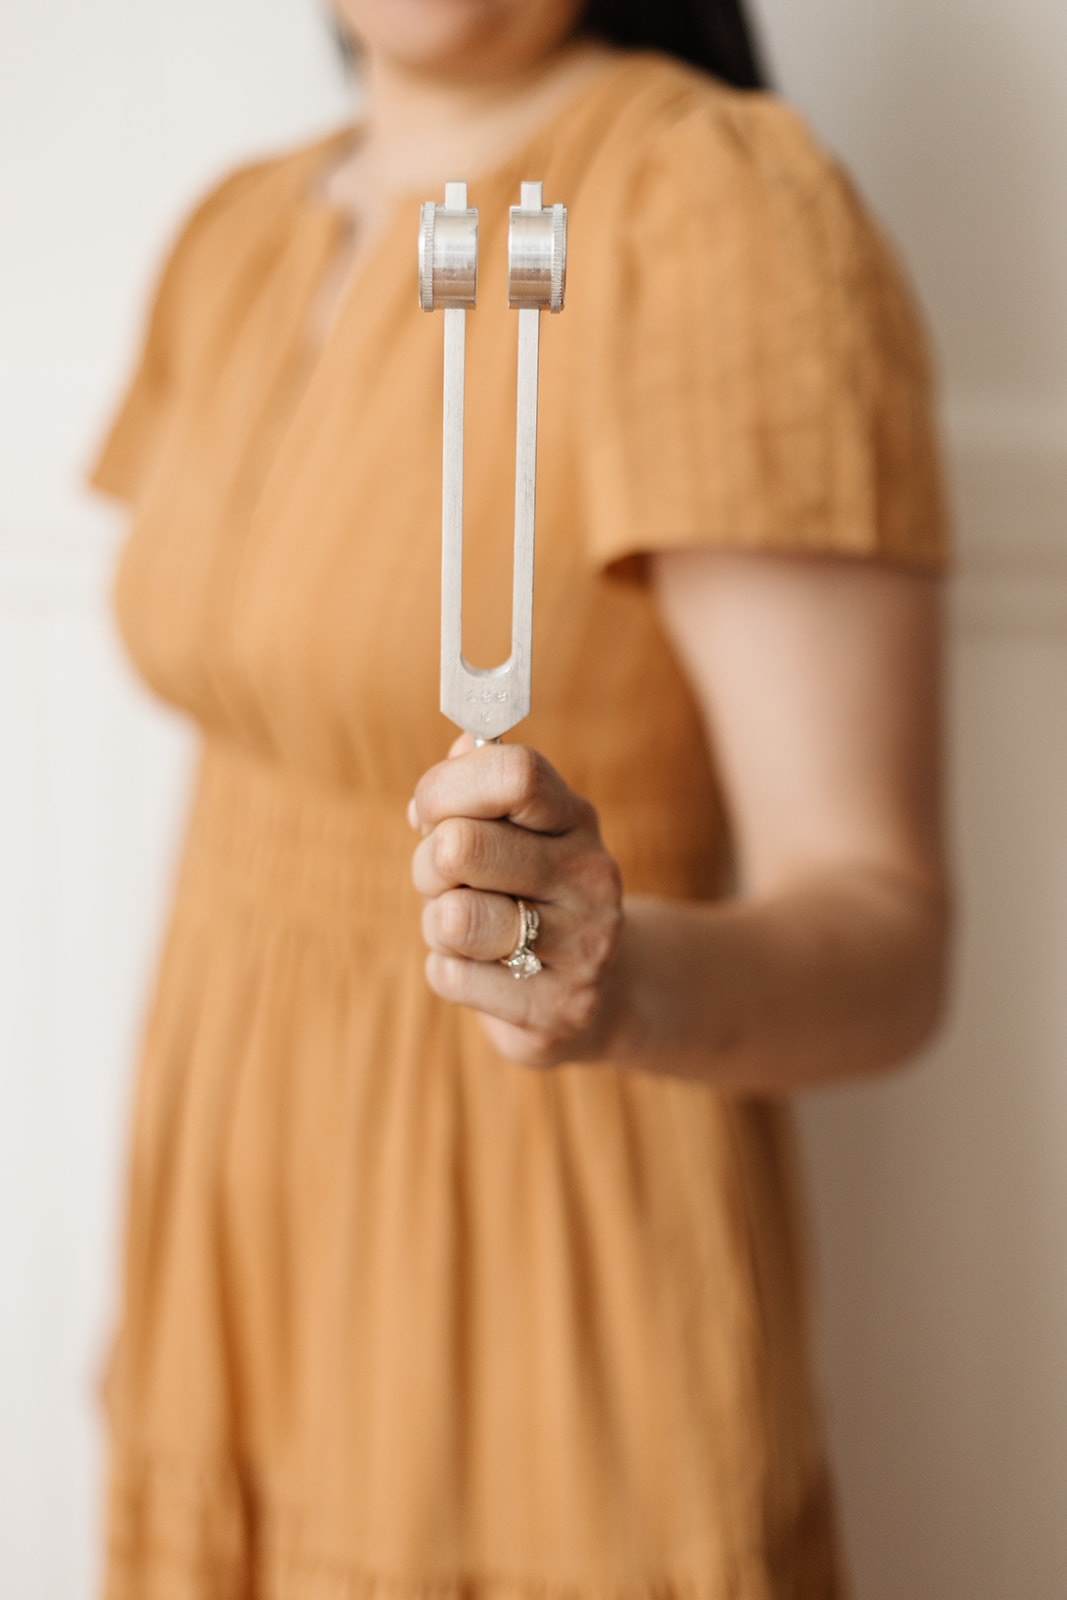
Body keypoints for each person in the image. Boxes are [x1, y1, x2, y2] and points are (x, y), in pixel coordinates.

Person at [88, 1, 951, 1596]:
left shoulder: (712, 205)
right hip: (241, 1202)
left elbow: (888, 939)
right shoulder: (233, 234)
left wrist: (613, 986)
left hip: (548, 1230)